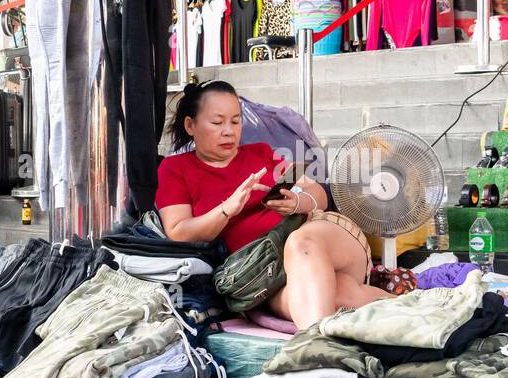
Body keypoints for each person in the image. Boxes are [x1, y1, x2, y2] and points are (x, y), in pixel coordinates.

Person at [156, 80, 393, 329]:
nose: (229, 131)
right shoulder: (175, 169)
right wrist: (227, 209)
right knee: (336, 296)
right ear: (190, 125)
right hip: (265, 278)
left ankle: (318, 351)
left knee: (300, 243)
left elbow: (318, 193)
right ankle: (424, 305)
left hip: (319, 238)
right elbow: (179, 231)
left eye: (235, 121)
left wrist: (297, 202)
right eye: (218, 122)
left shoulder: (261, 154)